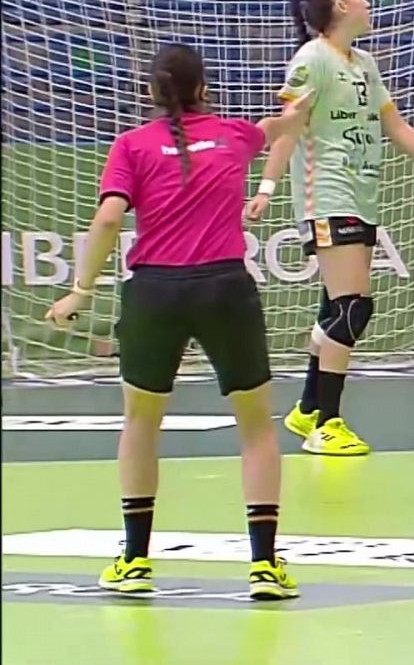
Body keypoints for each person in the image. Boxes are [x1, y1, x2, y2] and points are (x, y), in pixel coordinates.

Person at [45, 43, 314, 600]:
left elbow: (109, 217)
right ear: (204, 89)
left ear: (152, 91)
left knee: (141, 423)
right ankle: (264, 565)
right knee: (256, 425)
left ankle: (135, 559)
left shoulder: (131, 146)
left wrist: (79, 290)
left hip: (154, 294)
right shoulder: (235, 136)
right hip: (224, 288)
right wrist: (301, 97)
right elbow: (285, 122)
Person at [251, 0, 414, 456]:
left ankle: (308, 408)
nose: (367, 2)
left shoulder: (366, 65)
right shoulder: (312, 59)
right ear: (339, 5)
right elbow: (289, 127)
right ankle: (326, 425)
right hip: (326, 195)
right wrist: (267, 186)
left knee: (339, 309)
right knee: (354, 307)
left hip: (362, 194)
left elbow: (395, 126)